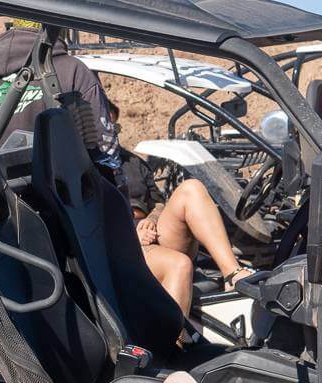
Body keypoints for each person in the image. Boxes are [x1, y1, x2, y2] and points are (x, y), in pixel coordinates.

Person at [100, 97, 249, 313]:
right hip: (120, 247)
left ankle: (233, 274)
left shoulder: (133, 163)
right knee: (179, 264)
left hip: (152, 238)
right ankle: (174, 345)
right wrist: (131, 233)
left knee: (192, 188)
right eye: (106, 126)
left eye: (115, 127)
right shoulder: (84, 166)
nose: (111, 132)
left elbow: (159, 203)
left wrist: (150, 220)